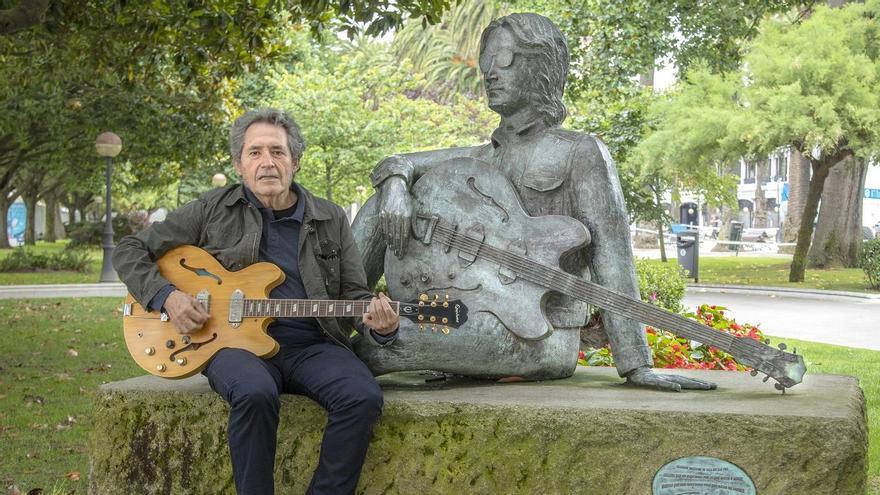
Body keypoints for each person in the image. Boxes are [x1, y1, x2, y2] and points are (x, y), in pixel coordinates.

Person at [352, 13, 714, 392]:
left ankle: (323, 347)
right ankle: (322, 324)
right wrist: (394, 185)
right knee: (382, 205)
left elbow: (613, 258)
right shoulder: (480, 159)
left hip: (542, 336)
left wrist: (637, 365)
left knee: (383, 344)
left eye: (504, 60)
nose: (490, 73)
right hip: (474, 313)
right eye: (486, 62)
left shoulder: (580, 152)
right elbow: (398, 162)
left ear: (541, 66)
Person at [113, 108, 400, 495]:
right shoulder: (210, 209)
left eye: (278, 152)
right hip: (230, 345)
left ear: (295, 161)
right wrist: (167, 297)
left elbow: (356, 295)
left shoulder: (329, 217)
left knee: (362, 398)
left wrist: (381, 326)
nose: (268, 162)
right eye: (255, 153)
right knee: (253, 393)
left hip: (312, 346)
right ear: (239, 164)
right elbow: (130, 249)